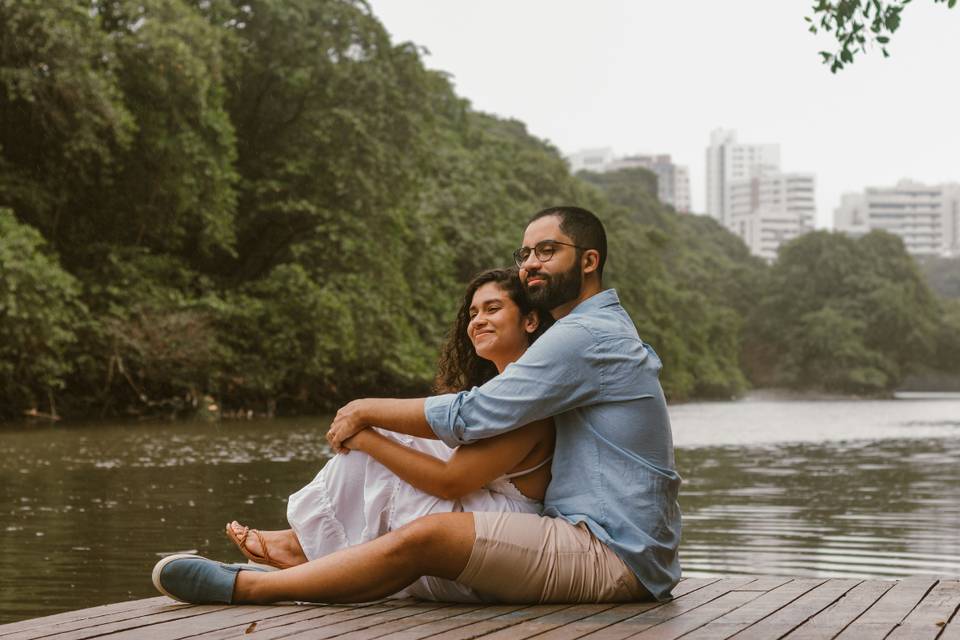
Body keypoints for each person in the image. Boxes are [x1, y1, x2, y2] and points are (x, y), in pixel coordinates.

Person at [153, 205, 681, 606]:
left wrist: (365, 410)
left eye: (547, 251)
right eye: (524, 255)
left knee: (429, 532)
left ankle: (248, 590)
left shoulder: (586, 337)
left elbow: (470, 416)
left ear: (589, 262)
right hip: (591, 537)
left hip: (615, 555)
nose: (529, 266)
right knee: (409, 463)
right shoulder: (582, 334)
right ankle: (309, 555)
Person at [222, 268, 555, 602]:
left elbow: (450, 482)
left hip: (507, 538)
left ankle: (305, 547)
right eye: (473, 313)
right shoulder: (494, 393)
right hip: (484, 511)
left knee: (382, 437)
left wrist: (367, 438)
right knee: (391, 433)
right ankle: (307, 544)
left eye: (492, 309)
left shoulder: (528, 398)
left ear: (529, 321)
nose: (478, 321)